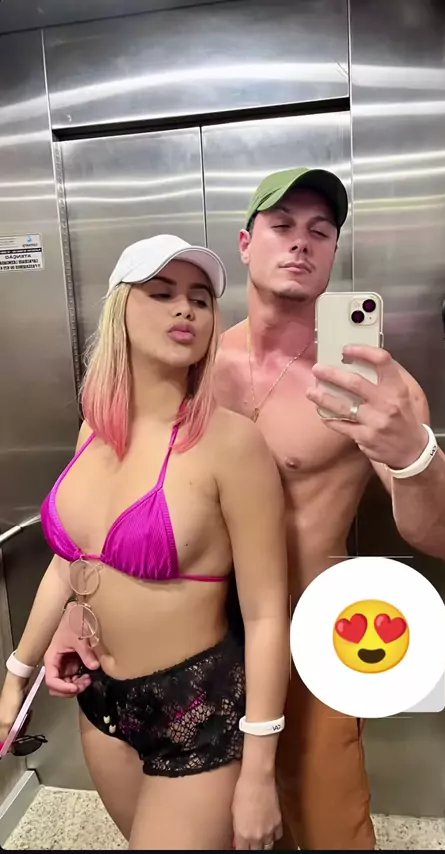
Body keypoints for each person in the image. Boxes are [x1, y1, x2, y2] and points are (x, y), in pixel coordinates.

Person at [43, 169, 445, 850]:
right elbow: (104, 496)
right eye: (282, 226)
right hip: (187, 652)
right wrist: (80, 603)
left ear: (334, 253)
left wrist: (413, 453)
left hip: (303, 640)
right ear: (246, 244)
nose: (301, 243)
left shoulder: (370, 385)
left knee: (332, 832)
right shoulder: (187, 361)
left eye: (320, 231)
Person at [0, 235, 291, 851]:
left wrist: (260, 771)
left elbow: (268, 614)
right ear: (120, 310)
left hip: (195, 713)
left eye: (200, 299)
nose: (184, 309)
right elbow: (69, 563)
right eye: (161, 294)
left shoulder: (232, 445)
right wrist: (16, 674)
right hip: (102, 703)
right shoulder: (93, 429)